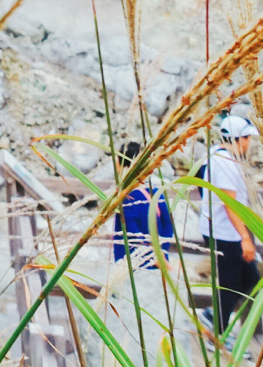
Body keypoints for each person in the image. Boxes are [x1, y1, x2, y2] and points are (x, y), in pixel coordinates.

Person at [105, 140, 176, 366]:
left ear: (121, 162)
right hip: (156, 263)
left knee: (131, 319)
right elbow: (167, 225)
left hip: (132, 265)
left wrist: (153, 257)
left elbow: (132, 235)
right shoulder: (155, 191)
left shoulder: (127, 197)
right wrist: (162, 253)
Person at [199, 114, 262, 338]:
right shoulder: (225, 162)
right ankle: (218, 335)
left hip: (219, 229)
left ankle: (213, 316)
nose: (249, 143)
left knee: (250, 281)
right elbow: (230, 204)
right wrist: (245, 238)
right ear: (238, 138)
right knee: (231, 283)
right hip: (226, 233)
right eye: (247, 138)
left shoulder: (213, 155)